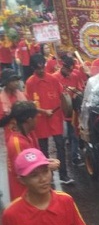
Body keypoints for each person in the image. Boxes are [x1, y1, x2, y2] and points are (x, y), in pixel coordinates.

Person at [26, 53, 73, 185]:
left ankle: (64, 175)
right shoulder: (30, 83)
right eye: (38, 68)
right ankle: (49, 176)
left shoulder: (52, 79)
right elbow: (30, 104)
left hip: (55, 118)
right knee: (43, 149)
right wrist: (43, 111)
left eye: (42, 67)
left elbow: (62, 97)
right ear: (33, 68)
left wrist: (64, 106)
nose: (41, 71)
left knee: (60, 146)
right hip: (40, 120)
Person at [1, 101, 59, 200]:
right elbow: (25, 172)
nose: (38, 120)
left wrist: (46, 162)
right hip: (25, 196)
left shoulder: (28, 134)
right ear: (29, 120)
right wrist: (49, 167)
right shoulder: (17, 143)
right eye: (36, 117)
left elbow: (33, 161)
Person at [53, 55, 86, 166]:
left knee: (74, 135)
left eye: (71, 70)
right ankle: (61, 162)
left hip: (72, 112)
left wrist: (76, 91)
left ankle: (74, 157)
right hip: (59, 112)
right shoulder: (54, 78)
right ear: (63, 66)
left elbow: (80, 89)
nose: (69, 72)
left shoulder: (75, 75)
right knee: (63, 138)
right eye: (68, 70)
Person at [0, 68, 27, 139]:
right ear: (6, 83)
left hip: (26, 132)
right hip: (12, 135)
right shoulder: (1, 100)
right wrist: (13, 113)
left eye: (16, 80)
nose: (16, 83)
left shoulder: (21, 95)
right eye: (13, 81)